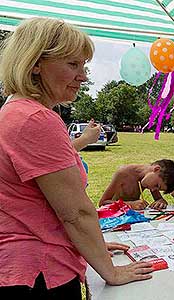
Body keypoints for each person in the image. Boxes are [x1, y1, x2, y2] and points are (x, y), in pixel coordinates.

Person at [0, 18, 153, 299]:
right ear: (36, 63)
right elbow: (75, 212)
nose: (82, 76)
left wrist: (89, 247)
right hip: (40, 271)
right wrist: (111, 271)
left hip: (23, 263)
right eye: (72, 65)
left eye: (83, 65)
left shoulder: (15, 111)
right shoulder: (36, 118)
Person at [99, 159, 174, 210]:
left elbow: (159, 199)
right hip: (116, 217)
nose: (153, 190)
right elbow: (102, 203)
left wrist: (160, 202)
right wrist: (130, 205)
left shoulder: (149, 179)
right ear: (156, 169)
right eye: (157, 186)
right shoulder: (123, 174)